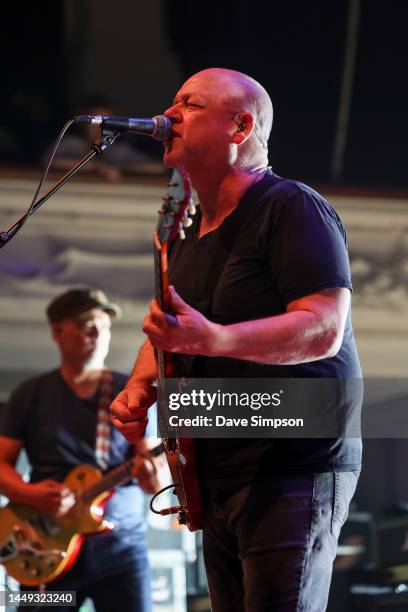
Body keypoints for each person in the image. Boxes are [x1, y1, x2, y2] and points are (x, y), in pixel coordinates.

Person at [110, 68, 362, 611]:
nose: (168, 113)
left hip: (292, 459)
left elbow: (324, 328)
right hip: (218, 464)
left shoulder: (291, 205)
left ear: (240, 126)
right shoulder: (188, 233)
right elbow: (170, 329)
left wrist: (216, 340)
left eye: (189, 104)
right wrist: (139, 386)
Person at [0, 287, 162, 612]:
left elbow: (154, 484)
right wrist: (30, 495)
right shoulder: (30, 393)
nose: (98, 330)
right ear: (58, 332)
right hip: (42, 546)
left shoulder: (131, 391)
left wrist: (153, 474)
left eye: (104, 322)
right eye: (86, 321)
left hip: (121, 549)